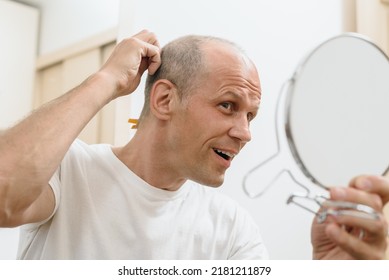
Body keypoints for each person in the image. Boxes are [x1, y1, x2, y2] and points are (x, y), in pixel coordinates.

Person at [0, 30, 387, 259]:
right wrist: (106, 81)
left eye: (249, 115)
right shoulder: (71, 172)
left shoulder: (232, 230)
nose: (245, 132)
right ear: (164, 100)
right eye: (228, 106)